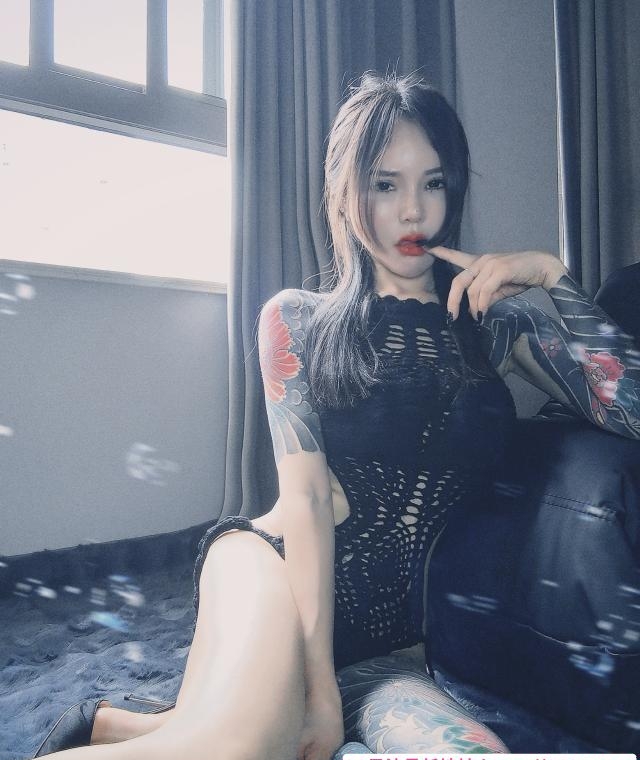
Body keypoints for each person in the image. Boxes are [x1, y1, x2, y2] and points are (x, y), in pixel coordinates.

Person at [33, 72, 640, 760]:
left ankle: (119, 725)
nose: (412, 211)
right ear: (347, 196)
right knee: (236, 749)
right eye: (385, 185)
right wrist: (320, 691)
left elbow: (631, 412)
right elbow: (308, 500)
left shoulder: (495, 322)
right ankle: (216, 720)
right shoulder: (296, 319)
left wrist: (553, 276)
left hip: (390, 656)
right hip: (271, 573)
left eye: (433, 183)